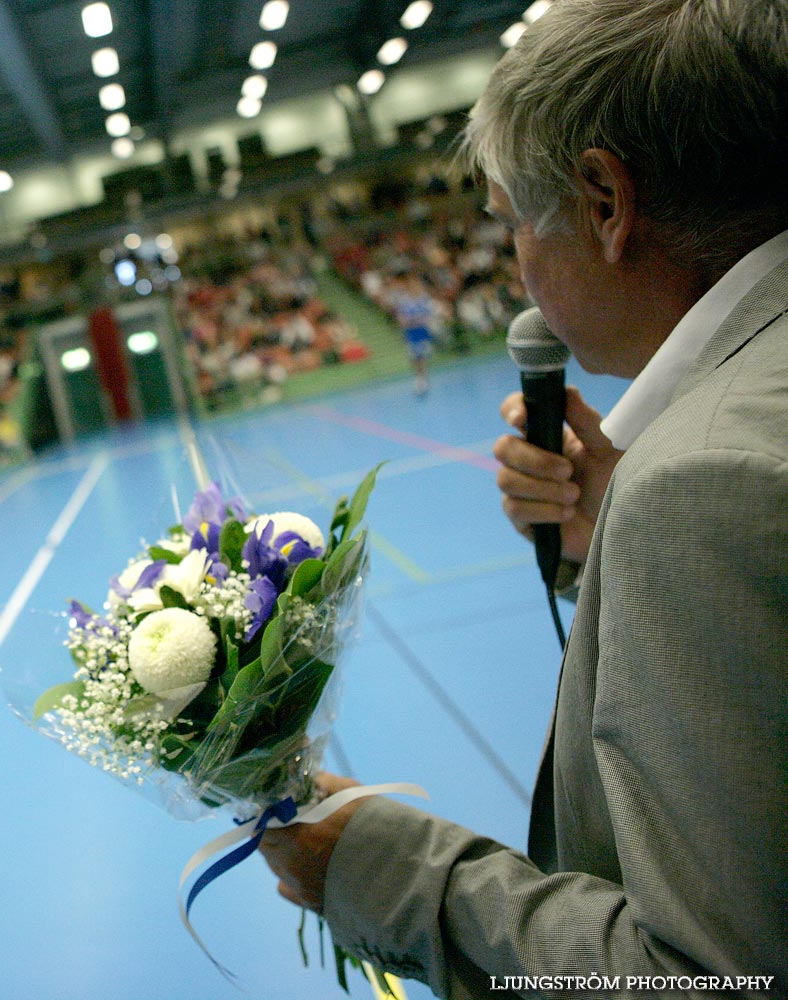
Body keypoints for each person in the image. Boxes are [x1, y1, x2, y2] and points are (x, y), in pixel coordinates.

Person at [258, 1, 788, 996]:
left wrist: (381, 868)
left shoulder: (704, 482)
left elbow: (718, 978)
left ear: (603, 200)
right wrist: (617, 544)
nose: (515, 269)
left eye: (511, 224)